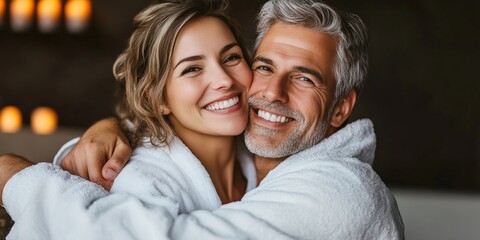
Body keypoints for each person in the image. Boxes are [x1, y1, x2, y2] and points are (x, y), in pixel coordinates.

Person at [0, 0, 404, 239]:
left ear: (340, 108)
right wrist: (109, 130)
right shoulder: (130, 174)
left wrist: (17, 176)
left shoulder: (339, 192)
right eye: (264, 67)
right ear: (158, 99)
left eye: (231, 58)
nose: (225, 81)